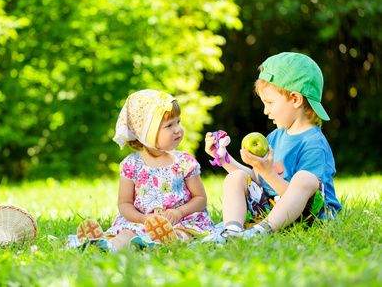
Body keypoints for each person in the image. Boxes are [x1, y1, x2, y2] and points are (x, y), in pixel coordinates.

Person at [203, 52, 342, 241]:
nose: (265, 111)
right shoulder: (275, 137)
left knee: (304, 179)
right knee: (236, 177)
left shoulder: (314, 144)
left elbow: (299, 195)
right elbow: (258, 179)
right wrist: (223, 158)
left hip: (312, 215)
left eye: (269, 103)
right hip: (274, 210)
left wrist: (268, 172)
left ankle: (258, 232)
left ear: (296, 99)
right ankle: (231, 232)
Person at [76, 89, 215, 252]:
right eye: (169, 125)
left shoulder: (184, 161)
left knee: (185, 232)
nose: (178, 129)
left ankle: (172, 240)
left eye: (178, 122)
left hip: (181, 220)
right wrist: (143, 219)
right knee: (127, 232)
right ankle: (107, 245)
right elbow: (125, 203)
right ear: (146, 134)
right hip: (141, 221)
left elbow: (200, 198)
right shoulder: (131, 165)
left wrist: (178, 212)